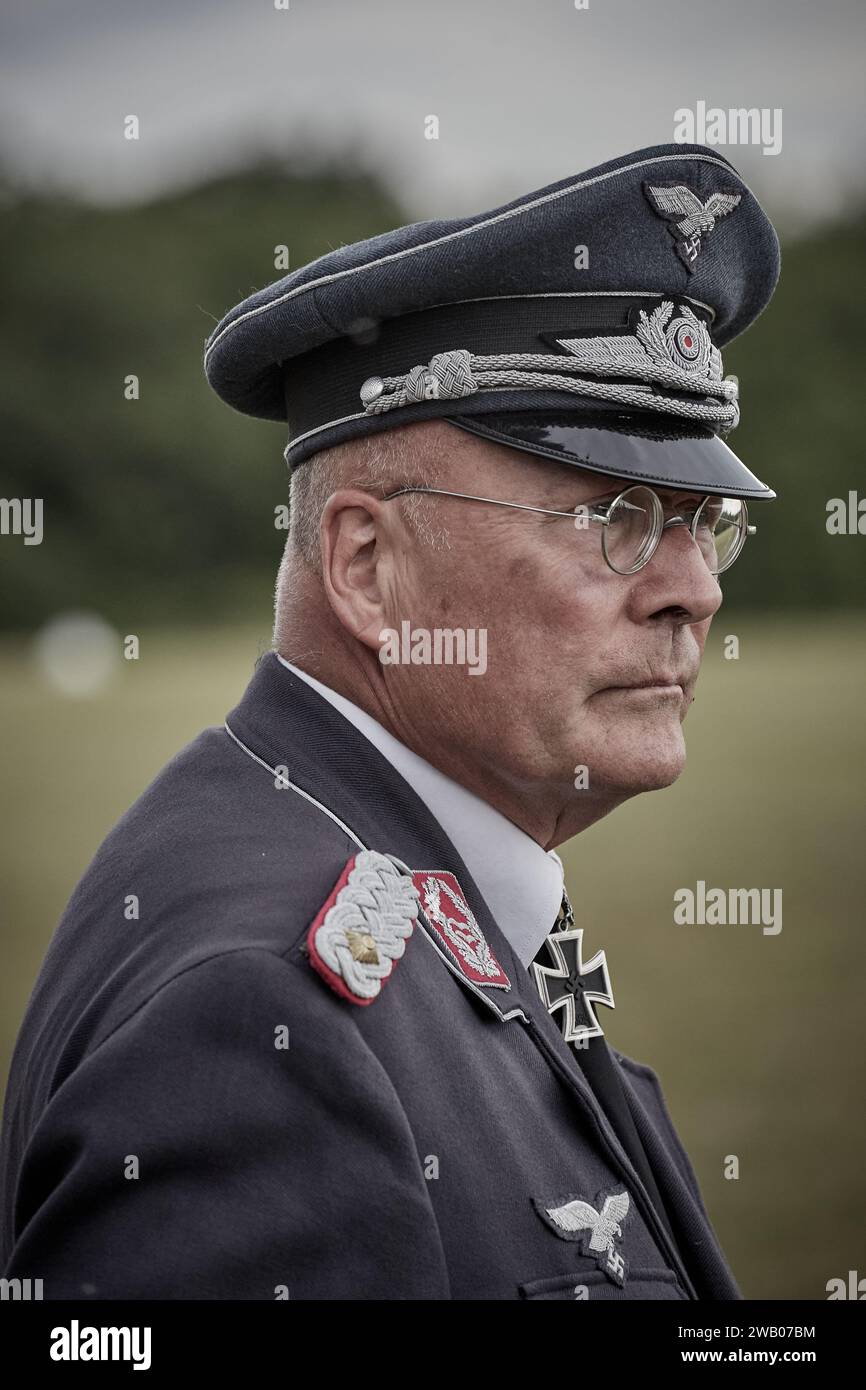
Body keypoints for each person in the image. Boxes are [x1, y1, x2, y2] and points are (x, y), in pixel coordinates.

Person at [0, 143, 779, 1300]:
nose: (692, 587)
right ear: (366, 566)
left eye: (698, 518)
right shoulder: (263, 1016)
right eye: (612, 513)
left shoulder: (403, 873)